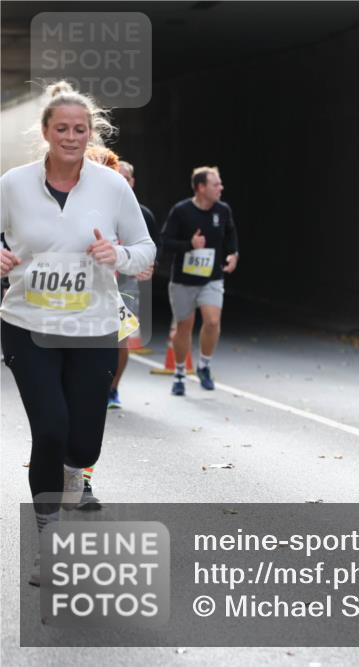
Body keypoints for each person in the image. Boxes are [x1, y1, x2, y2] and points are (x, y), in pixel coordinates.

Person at [0, 81, 155, 584]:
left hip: (92, 327)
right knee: (49, 429)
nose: (71, 136)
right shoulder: (13, 184)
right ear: (45, 132)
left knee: (83, 444)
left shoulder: (111, 187)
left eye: (80, 129)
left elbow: (145, 249)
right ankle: (49, 544)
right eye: (62, 128)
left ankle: (75, 476)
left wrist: (119, 256)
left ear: (92, 134)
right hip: (29, 324)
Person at [160, 166, 238, 396]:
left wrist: (233, 254)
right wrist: (189, 245)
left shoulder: (223, 210)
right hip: (183, 280)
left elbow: (231, 234)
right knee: (184, 327)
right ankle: (180, 373)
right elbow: (165, 241)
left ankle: (204, 365)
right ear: (201, 187)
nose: (221, 188)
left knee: (212, 321)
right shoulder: (181, 211)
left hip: (211, 278)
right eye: (216, 184)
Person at [107, 159, 158, 409]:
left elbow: (153, 248)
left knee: (120, 339)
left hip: (127, 284)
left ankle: (112, 389)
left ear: (132, 183)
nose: (122, 182)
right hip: (99, 281)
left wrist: (150, 266)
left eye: (126, 178)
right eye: (117, 177)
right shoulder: (99, 208)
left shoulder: (144, 214)